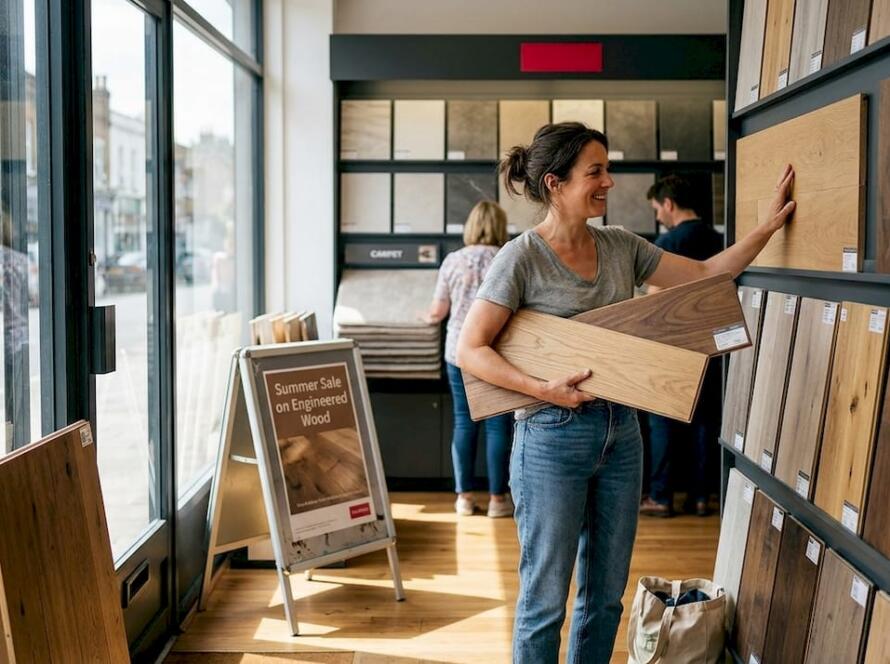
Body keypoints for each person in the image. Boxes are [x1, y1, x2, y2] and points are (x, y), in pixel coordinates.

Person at [456, 122, 794, 663]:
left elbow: (708, 274)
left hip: (622, 433)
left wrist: (767, 228)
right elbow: (471, 349)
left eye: (606, 169)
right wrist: (541, 389)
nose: (609, 182)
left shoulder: (620, 246)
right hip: (550, 437)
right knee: (545, 602)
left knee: (605, 601)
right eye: (595, 172)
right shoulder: (520, 257)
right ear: (555, 182)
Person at [640, 174, 724, 517]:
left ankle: (661, 497)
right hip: (711, 342)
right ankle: (702, 496)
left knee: (663, 421)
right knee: (706, 421)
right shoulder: (718, 239)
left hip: (672, 346)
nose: (658, 215)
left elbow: (654, 298)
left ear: (669, 204)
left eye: (657, 208)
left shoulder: (669, 242)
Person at [424, 200, 514, 517]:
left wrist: (423, 316)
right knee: (498, 425)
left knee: (464, 422)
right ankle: (498, 500)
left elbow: (438, 311)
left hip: (459, 352)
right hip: (497, 352)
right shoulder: (507, 258)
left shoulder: (453, 261)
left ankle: (464, 497)